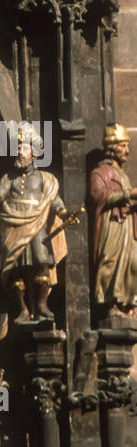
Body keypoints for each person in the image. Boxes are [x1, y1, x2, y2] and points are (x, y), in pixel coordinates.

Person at [0, 128, 74, 322]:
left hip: (37, 225)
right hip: (14, 225)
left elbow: (54, 199)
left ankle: (42, 304)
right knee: (16, 268)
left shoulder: (45, 179)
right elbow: (0, 193)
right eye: (18, 148)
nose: (20, 152)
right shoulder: (9, 178)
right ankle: (23, 308)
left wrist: (63, 213)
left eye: (24, 148)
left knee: (42, 263)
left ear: (34, 152)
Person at [89, 123, 137, 315]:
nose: (127, 150)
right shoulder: (100, 173)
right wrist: (128, 194)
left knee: (132, 263)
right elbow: (98, 196)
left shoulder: (123, 175)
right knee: (111, 261)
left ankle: (127, 303)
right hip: (112, 225)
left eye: (127, 146)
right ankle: (111, 303)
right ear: (111, 147)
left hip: (126, 224)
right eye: (122, 146)